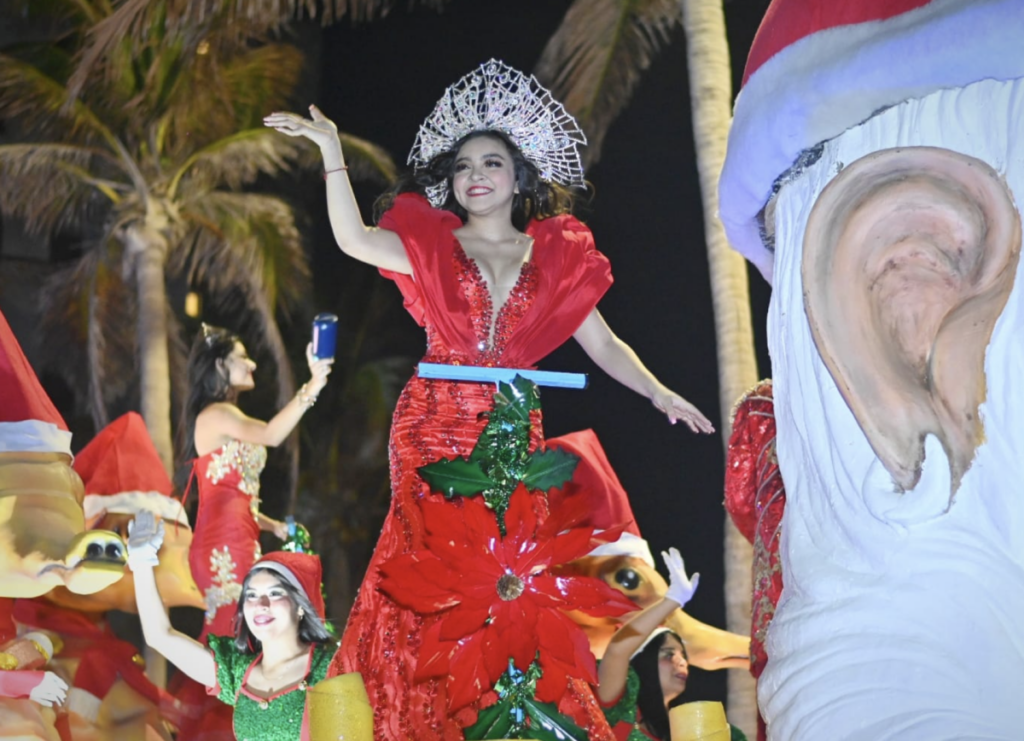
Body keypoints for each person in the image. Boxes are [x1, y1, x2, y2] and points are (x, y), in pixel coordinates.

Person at [264, 59, 714, 740]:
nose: (476, 174)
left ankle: (497, 712)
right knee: (421, 561)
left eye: (492, 162)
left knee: (507, 570)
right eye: (464, 165)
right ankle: (406, 710)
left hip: (509, 424)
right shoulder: (432, 244)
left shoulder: (555, 254)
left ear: (518, 176)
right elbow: (354, 239)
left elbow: (603, 342)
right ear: (450, 181)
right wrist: (331, 152)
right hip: (432, 419)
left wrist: (657, 391)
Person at [178, 324, 332, 637]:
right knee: (241, 632)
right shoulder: (215, 415)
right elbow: (271, 435)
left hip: (238, 535)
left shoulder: (226, 415)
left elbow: (233, 495)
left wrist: (272, 525)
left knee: (248, 631)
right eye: (242, 357)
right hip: (222, 543)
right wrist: (313, 385)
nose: (253, 364)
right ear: (221, 364)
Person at [128, 511, 335, 741]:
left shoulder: (332, 667)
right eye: (252, 595)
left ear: (300, 606)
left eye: (275, 594)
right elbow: (160, 636)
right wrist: (142, 563)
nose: (261, 605)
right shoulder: (237, 671)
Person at [597, 547, 698, 741]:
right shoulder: (619, 706)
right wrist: (672, 601)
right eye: (668, 654)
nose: (682, 662)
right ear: (642, 661)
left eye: (683, 655)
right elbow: (618, 649)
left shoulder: (686, 729)